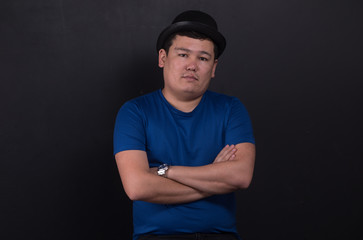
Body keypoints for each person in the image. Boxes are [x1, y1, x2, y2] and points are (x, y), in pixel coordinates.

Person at [113, 10, 256, 240]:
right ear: (162, 58)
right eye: (183, 54)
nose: (192, 66)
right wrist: (214, 178)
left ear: (214, 67)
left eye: (203, 58)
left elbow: (240, 176)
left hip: (219, 236)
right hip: (157, 236)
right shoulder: (135, 112)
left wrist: (165, 171)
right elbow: (138, 187)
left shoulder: (231, 109)